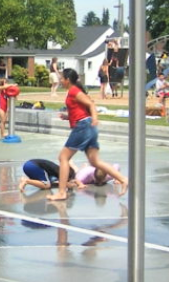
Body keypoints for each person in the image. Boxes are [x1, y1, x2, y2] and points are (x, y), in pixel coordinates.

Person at [48, 68, 128, 201]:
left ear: (68, 80)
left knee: (63, 158)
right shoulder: (73, 92)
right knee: (95, 161)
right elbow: (80, 111)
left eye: (62, 78)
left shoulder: (74, 91)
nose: (60, 80)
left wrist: (95, 118)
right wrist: (68, 117)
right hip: (87, 125)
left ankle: (62, 192)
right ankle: (123, 179)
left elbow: (91, 104)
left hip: (83, 127)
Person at [19, 158, 83, 192]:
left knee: (45, 181)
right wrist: (74, 185)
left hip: (28, 165)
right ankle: (26, 181)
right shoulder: (58, 172)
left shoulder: (57, 169)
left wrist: (80, 184)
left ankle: (26, 180)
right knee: (47, 185)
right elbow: (65, 183)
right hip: (33, 166)